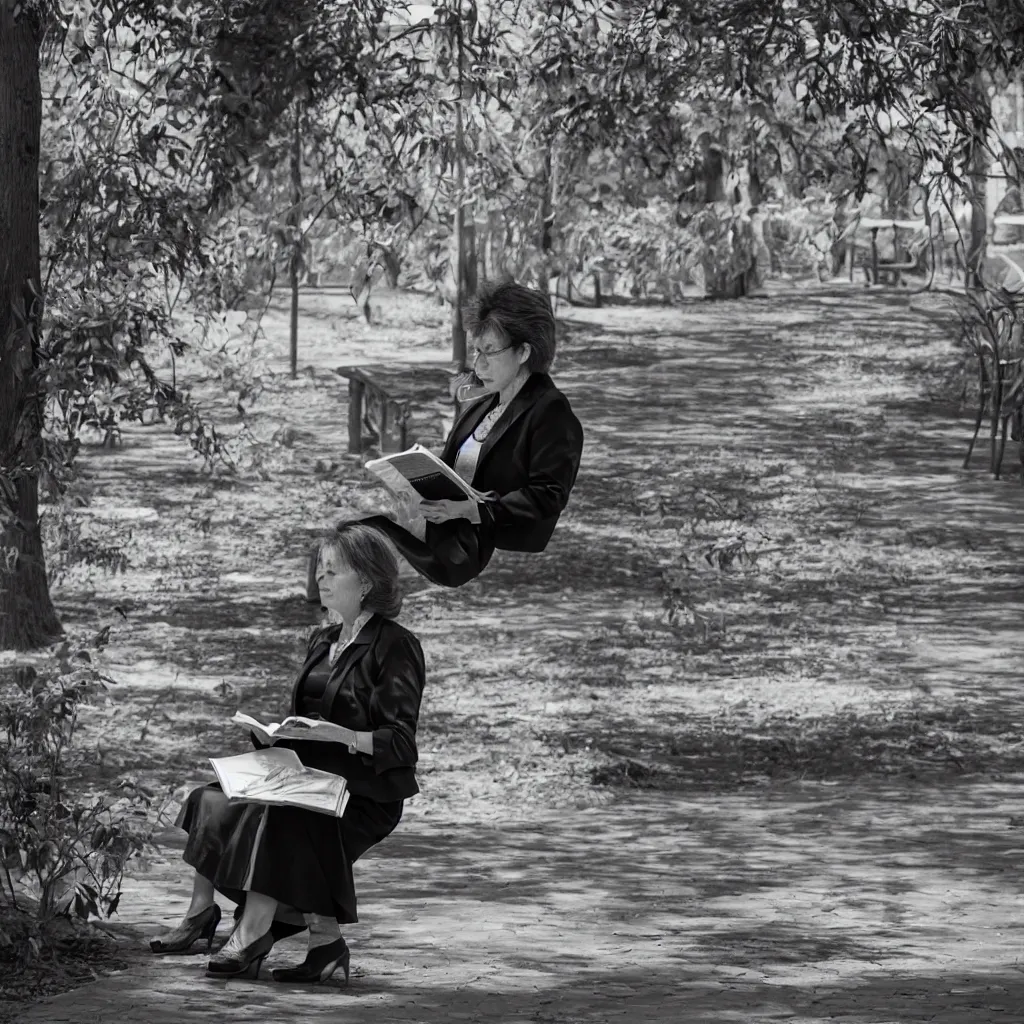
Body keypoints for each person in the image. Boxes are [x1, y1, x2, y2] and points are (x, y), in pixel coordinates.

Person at [150, 523, 426, 983]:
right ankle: (211, 916)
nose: (321, 578)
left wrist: (342, 736)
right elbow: (305, 720)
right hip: (303, 776)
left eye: (333, 570)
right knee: (213, 797)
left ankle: (253, 932)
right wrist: (273, 735)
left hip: (361, 791)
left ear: (368, 583)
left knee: (281, 816)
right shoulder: (322, 641)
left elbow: (400, 742)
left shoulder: (396, 646)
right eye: (319, 569)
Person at [308, 279, 584, 596]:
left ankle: (338, 606)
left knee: (353, 543)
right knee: (344, 537)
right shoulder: (484, 406)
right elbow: (453, 471)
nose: (479, 365)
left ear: (524, 351)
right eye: (477, 351)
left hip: (471, 545)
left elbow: (547, 496)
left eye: (490, 352)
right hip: (441, 528)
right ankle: (331, 613)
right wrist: (413, 485)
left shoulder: (550, 413)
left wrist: (471, 510)